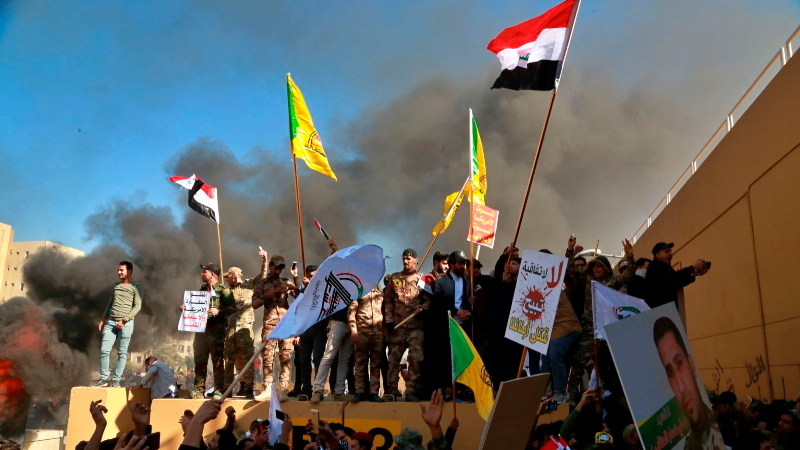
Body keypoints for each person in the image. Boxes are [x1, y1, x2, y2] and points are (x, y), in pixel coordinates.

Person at [653, 316, 725, 450]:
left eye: (679, 363)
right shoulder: (688, 446)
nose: (681, 387)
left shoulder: (724, 429)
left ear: (691, 365)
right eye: (670, 372)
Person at [384, 248, 429, 402]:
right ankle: (391, 390)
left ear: (416, 260)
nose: (406, 261)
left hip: (415, 327)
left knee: (415, 359)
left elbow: (428, 300)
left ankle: (411, 390)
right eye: (404, 258)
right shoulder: (394, 278)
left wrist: (423, 308)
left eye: (409, 259)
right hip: (398, 326)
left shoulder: (421, 279)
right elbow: (388, 300)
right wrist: (389, 321)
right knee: (393, 359)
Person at [252, 255, 298, 402]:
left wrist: (294, 286)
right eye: (276, 267)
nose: (278, 270)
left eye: (280, 268)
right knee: (267, 355)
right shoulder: (262, 284)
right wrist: (266, 296)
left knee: (285, 355)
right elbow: (254, 304)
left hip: (286, 323)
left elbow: (301, 297)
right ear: (270, 266)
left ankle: (283, 389)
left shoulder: (286, 282)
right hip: (270, 324)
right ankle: (267, 388)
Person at [187, 263, 235, 399]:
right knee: (199, 360)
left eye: (204, 272)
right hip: (201, 329)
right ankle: (198, 390)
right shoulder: (203, 289)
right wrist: (186, 308)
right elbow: (197, 306)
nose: (201, 274)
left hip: (216, 330)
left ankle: (219, 389)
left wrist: (219, 311)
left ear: (212, 274)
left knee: (217, 360)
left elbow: (232, 308)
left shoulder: (223, 289)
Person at [223, 254, 268, 399]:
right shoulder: (227, 291)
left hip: (244, 326)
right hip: (231, 327)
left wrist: (265, 261)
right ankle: (227, 387)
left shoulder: (248, 285)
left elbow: (262, 277)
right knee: (229, 358)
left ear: (234, 275)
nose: (226, 279)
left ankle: (248, 387)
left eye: (228, 276)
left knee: (247, 357)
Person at [94, 261, 143, 387]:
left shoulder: (136, 286)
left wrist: (124, 320)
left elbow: (137, 306)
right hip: (111, 322)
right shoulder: (116, 286)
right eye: (118, 270)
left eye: (122, 270)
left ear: (129, 271)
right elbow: (110, 303)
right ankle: (103, 379)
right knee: (104, 351)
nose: (119, 272)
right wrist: (103, 319)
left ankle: (116, 380)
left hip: (126, 324)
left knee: (122, 353)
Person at [294, 265, 327, 400]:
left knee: (318, 359)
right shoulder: (303, 290)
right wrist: (299, 282)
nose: (313, 278)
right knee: (304, 360)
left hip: (319, 328)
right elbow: (298, 302)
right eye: (310, 276)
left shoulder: (322, 287)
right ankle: (306, 389)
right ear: (306, 276)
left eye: (315, 276)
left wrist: (310, 286)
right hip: (305, 329)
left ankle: (318, 390)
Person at [348, 284, 385, 403]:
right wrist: (353, 330)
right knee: (360, 363)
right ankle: (359, 392)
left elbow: (385, 313)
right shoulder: (359, 292)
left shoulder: (380, 295)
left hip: (377, 333)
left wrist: (384, 331)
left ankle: (374, 393)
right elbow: (351, 311)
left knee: (375, 365)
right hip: (362, 332)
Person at [644, 242, 709, 309]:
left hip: (669, 309)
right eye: (667, 251)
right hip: (660, 310)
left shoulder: (667, 268)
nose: (671, 253)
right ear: (658, 255)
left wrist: (694, 273)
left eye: (670, 251)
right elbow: (671, 279)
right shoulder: (654, 267)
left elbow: (678, 282)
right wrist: (692, 268)